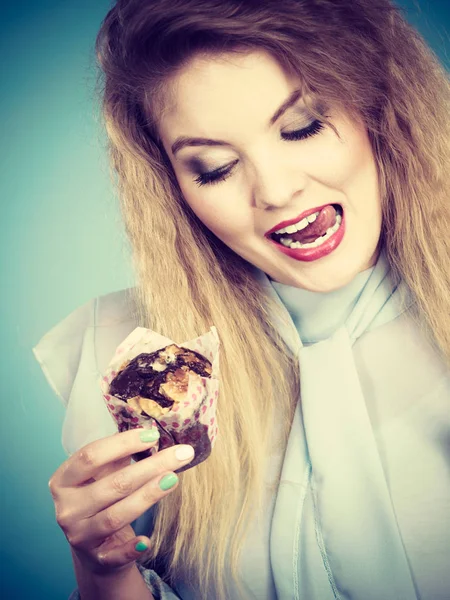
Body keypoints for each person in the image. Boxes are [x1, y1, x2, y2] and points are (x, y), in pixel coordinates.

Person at [32, 0, 450, 599]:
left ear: (380, 108)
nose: (276, 190)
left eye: (302, 127)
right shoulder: (135, 362)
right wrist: (104, 571)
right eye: (215, 167)